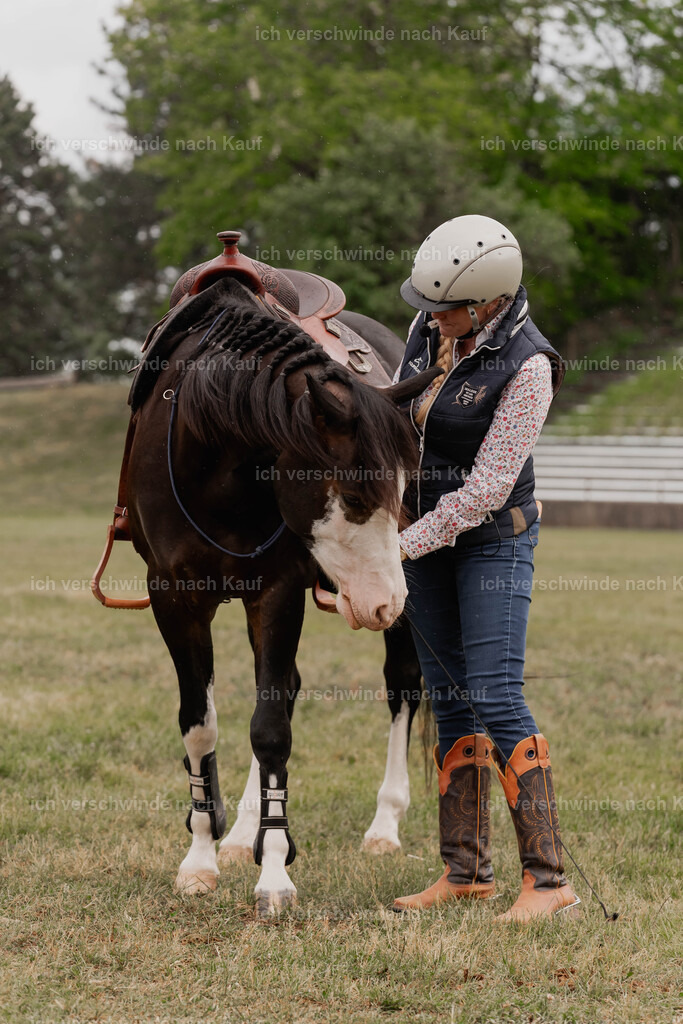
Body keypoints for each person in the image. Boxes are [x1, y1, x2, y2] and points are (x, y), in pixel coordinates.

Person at [392, 214, 580, 922]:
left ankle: (550, 880)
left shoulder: (530, 366)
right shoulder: (427, 331)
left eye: (444, 309)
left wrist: (398, 548)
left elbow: (485, 490)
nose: (429, 319)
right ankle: (465, 872)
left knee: (495, 693)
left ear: (488, 302)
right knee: (448, 699)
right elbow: (392, 415)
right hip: (419, 539)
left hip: (491, 539)